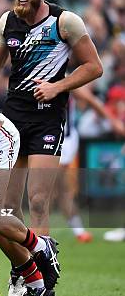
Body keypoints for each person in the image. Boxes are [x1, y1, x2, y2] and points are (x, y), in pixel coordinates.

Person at [0, 0, 103, 296]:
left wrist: (58, 86)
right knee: (6, 204)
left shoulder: (65, 22)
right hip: (13, 121)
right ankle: (25, 269)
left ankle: (43, 280)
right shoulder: (8, 21)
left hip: (48, 119)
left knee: (38, 199)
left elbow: (94, 67)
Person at [54, 87, 125, 243]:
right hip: (37, 138)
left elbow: (91, 100)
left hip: (64, 141)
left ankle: (76, 231)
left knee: (55, 188)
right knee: (54, 190)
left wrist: (113, 122)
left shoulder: (62, 77)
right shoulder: (26, 76)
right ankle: (77, 231)